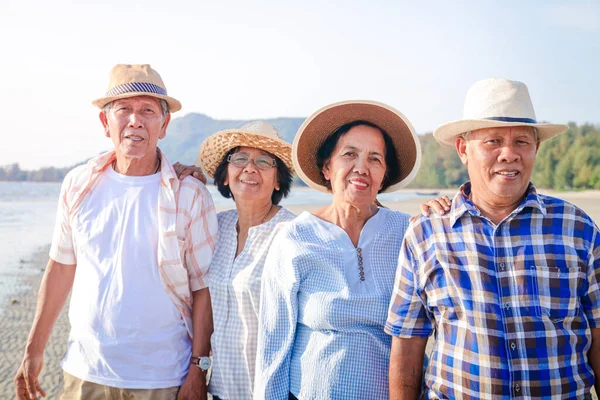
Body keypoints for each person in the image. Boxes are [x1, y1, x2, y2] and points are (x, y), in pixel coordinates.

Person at [386, 78, 600, 399]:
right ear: (463, 149)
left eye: (522, 142)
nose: (508, 154)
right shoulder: (425, 233)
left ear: (536, 149)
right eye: (493, 141)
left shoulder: (577, 228)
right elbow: (407, 344)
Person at [14, 64, 218, 400]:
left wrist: (198, 369)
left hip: (163, 376)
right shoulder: (78, 185)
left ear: (164, 125)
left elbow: (203, 288)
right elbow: (61, 268)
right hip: (84, 372)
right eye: (124, 109)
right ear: (105, 122)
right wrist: (33, 349)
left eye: (148, 111)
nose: (135, 120)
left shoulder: (189, 195)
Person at [254, 100, 422, 399]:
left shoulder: (408, 233)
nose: (361, 168)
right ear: (327, 168)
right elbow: (273, 341)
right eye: (349, 155)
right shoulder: (295, 237)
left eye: (375, 159)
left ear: (384, 175)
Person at [194, 121, 296, 400]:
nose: (250, 168)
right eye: (239, 159)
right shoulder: (214, 227)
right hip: (221, 390)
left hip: (272, 392)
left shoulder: (293, 233)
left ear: (278, 180)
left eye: (264, 161)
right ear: (225, 176)